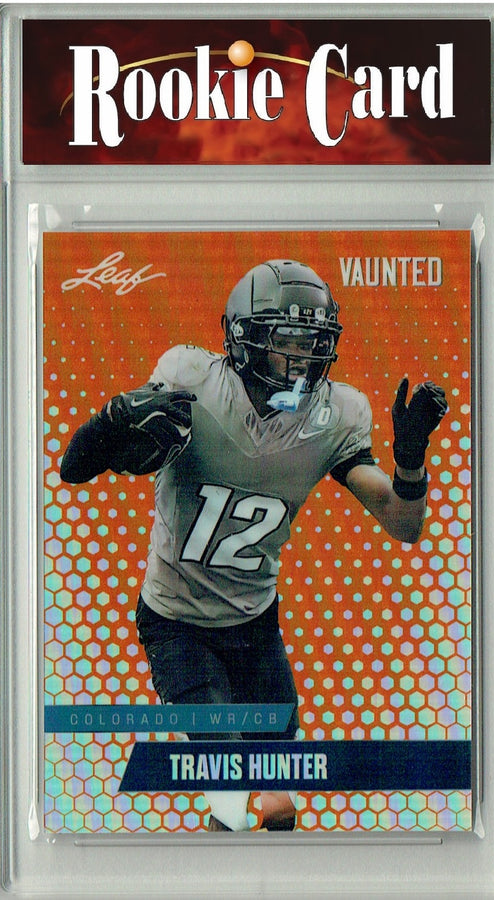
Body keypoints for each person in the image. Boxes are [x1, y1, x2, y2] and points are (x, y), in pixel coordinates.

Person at [60, 258, 447, 832]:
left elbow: (403, 524)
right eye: (285, 341)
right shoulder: (192, 381)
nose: (301, 359)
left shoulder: (335, 415)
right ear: (243, 338)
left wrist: (411, 464)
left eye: (312, 343)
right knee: (236, 784)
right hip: (178, 620)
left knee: (277, 801)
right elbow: (73, 469)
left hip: (255, 622)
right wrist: (109, 423)